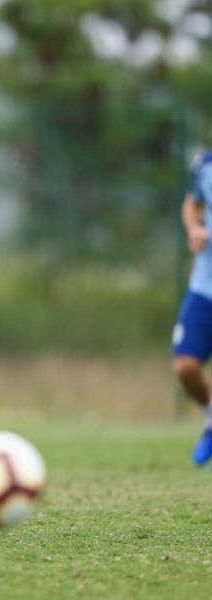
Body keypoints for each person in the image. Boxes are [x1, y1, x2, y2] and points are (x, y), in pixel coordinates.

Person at [173, 150, 212, 465]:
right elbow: (192, 203)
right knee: (185, 366)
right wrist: (194, 229)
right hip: (204, 288)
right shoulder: (205, 165)